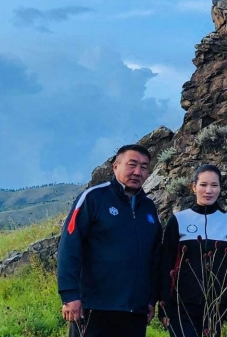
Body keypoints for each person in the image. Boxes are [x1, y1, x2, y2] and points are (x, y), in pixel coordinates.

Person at [57, 144, 162, 337]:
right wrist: (69, 294)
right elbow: (69, 246)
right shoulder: (93, 198)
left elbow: (155, 258)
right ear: (115, 166)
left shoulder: (149, 209)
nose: (137, 172)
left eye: (144, 167)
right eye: (132, 164)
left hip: (134, 310)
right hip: (94, 306)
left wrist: (150, 299)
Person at [158, 164, 227, 337]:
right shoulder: (178, 220)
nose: (209, 190)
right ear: (194, 187)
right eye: (203, 185)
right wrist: (164, 305)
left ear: (220, 188)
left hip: (214, 307)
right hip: (181, 306)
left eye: (214, 185)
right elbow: (166, 265)